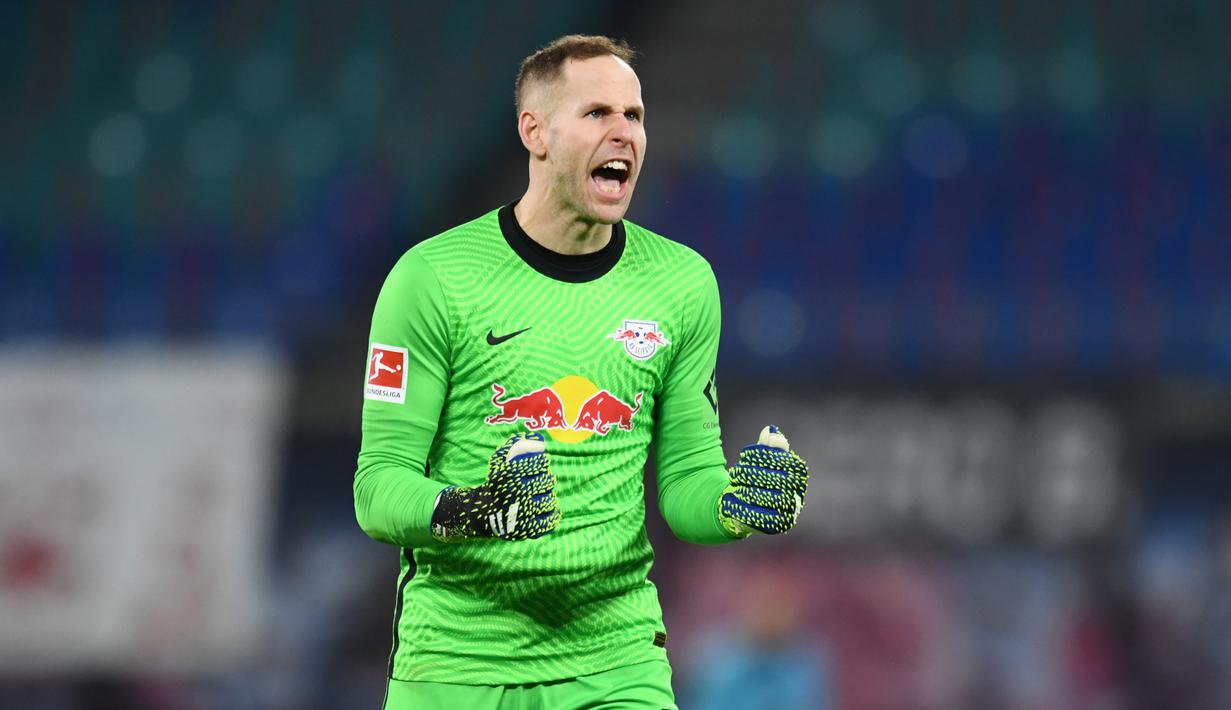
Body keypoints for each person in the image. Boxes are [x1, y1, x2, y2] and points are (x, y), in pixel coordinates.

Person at [354, 34, 810, 709]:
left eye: (635, 115)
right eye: (598, 113)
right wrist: (475, 509)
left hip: (616, 662)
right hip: (457, 662)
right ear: (534, 132)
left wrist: (734, 507)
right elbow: (378, 490)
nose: (624, 132)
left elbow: (685, 484)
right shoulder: (432, 279)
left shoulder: (681, 284)